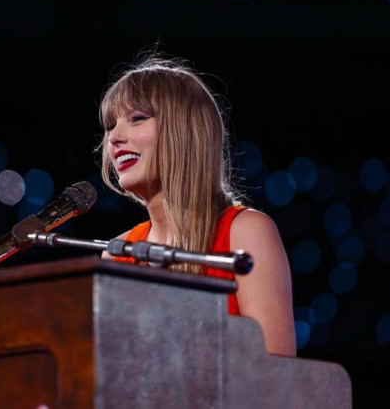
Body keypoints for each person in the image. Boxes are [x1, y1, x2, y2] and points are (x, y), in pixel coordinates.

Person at [98, 52, 296, 357]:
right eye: (110, 125)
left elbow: (275, 369)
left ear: (185, 130)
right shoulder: (117, 254)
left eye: (137, 118)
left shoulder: (245, 233)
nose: (114, 138)